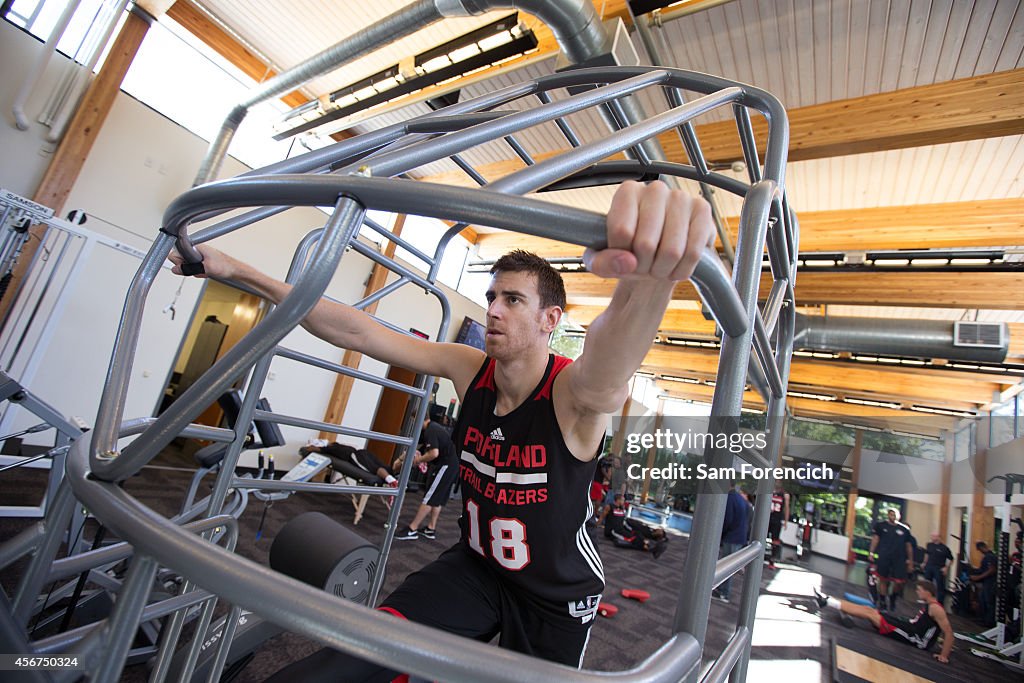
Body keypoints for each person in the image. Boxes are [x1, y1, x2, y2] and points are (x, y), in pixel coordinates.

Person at [171, 180, 714, 677]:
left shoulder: (572, 395)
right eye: (492, 298)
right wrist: (237, 270)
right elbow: (357, 331)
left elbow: (608, 364)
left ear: (551, 320)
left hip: (555, 595)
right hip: (477, 568)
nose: (494, 311)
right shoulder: (468, 367)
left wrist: (648, 285)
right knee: (356, 659)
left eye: (513, 300)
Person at [814, 579, 954, 664]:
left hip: (915, 638)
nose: (918, 593)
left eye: (919, 590)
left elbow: (949, 633)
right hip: (910, 628)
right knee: (870, 610)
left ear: (927, 592)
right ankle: (828, 600)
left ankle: (827, 602)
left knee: (872, 616)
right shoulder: (930, 605)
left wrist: (944, 655)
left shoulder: (936, 609)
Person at [394, 416, 458, 540]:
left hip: (446, 465)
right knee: (437, 498)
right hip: (450, 465)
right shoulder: (430, 429)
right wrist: (401, 459)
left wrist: (418, 460)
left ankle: (412, 528)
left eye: (414, 420)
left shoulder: (431, 430)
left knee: (430, 497)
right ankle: (430, 528)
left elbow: (434, 453)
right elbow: (420, 449)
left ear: (420, 419)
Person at [869, 508, 914, 611]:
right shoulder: (881, 526)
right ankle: (883, 602)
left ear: (899, 516)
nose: (892, 516)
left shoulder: (904, 530)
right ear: (888, 515)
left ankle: (893, 597)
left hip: (899, 559)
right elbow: (875, 539)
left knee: (898, 583)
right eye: (890, 514)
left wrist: (910, 561)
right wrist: (871, 552)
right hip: (884, 557)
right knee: (883, 579)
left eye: (894, 514)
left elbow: (908, 546)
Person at [713, 484, 750, 603]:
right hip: (739, 537)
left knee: (726, 566)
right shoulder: (740, 499)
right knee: (728, 565)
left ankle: (724, 593)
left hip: (732, 537)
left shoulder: (730, 498)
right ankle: (722, 590)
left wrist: (721, 535)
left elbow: (727, 519)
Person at [970, 541, 998, 627]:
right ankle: (983, 619)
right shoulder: (987, 557)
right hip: (986, 582)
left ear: (982, 547)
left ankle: (989, 622)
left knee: (988, 602)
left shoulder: (990, 557)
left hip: (990, 583)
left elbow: (992, 570)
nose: (979, 552)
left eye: (979, 550)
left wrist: (978, 578)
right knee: (983, 600)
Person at [922, 531, 953, 604]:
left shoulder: (944, 548)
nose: (932, 538)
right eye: (931, 536)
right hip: (929, 566)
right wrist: (924, 563)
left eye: (933, 536)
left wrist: (946, 567)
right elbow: (927, 554)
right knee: (927, 583)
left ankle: (940, 602)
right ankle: (925, 599)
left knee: (940, 585)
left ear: (938, 537)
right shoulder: (929, 545)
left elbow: (951, 559)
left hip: (939, 568)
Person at [767, 485, 789, 569]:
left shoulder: (785, 494)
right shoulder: (770, 490)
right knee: (760, 537)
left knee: (775, 541)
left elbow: (786, 508)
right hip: (767, 518)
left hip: (777, 520)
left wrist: (786, 521)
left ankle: (771, 561)